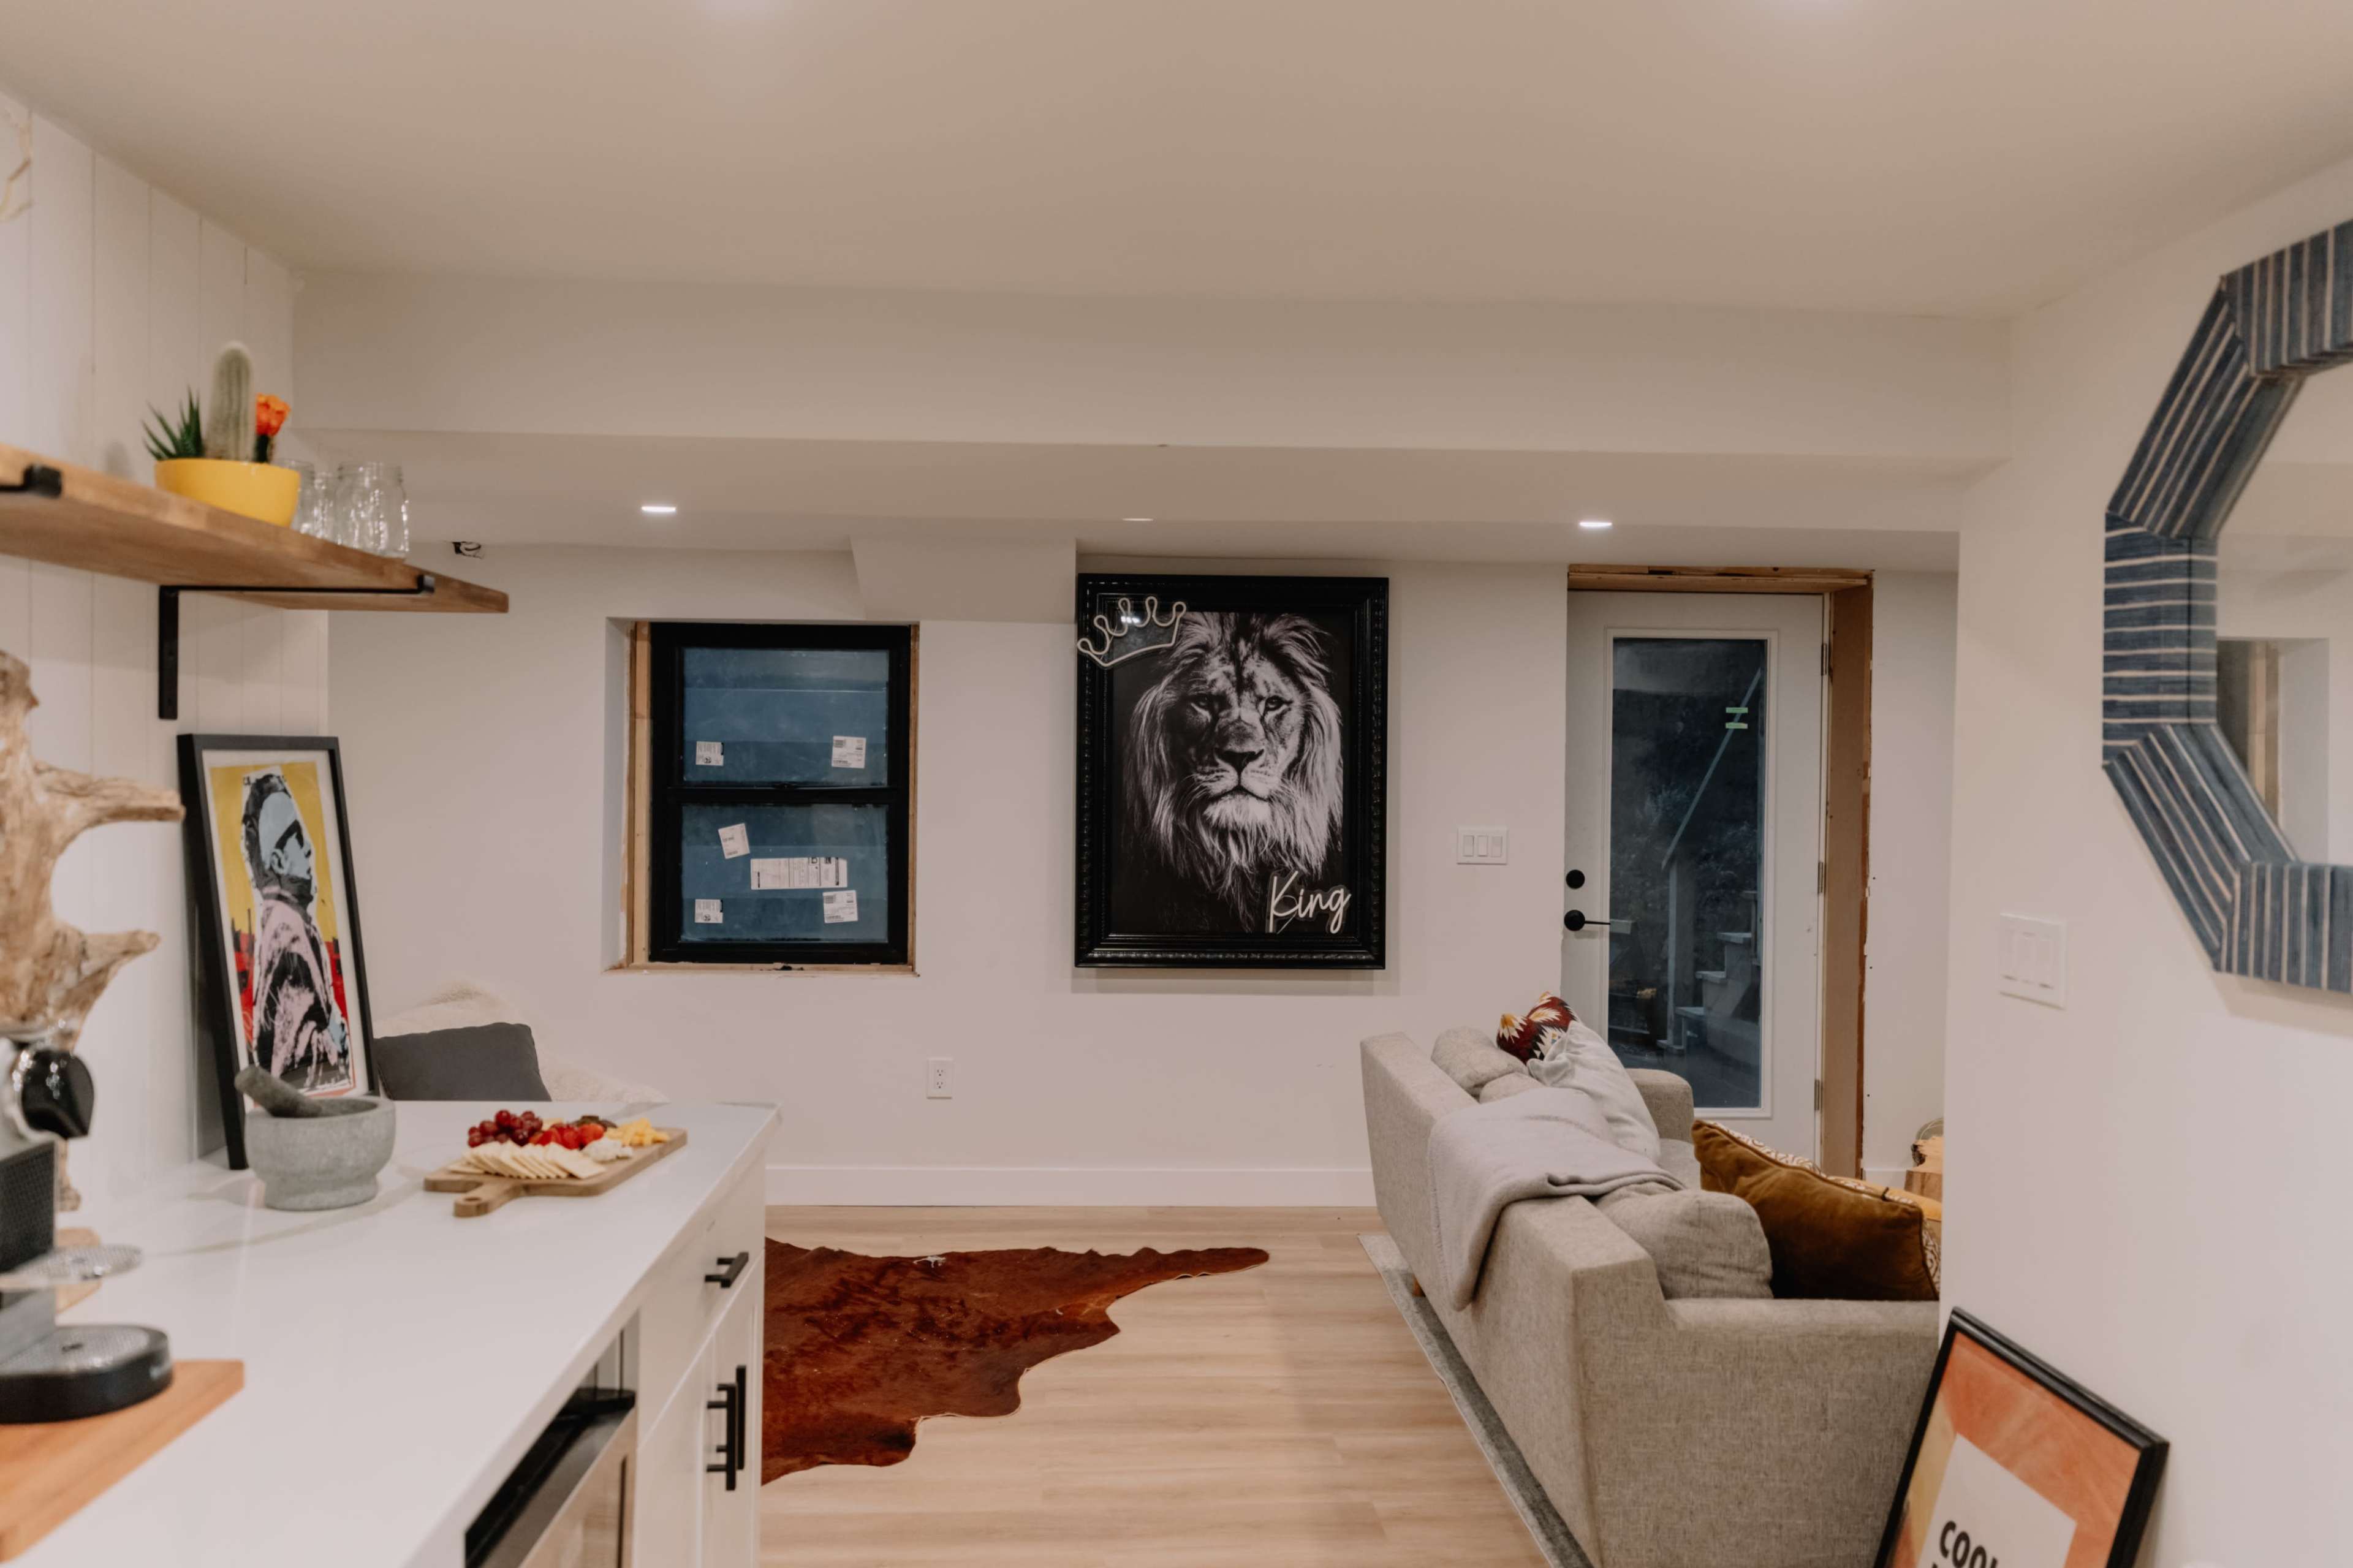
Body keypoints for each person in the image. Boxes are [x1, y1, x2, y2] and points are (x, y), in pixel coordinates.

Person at [240, 768, 352, 1091]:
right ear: (277, 860)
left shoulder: (286, 923)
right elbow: (288, 1069)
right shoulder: (288, 932)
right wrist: (335, 1040)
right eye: (298, 839)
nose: (309, 850)